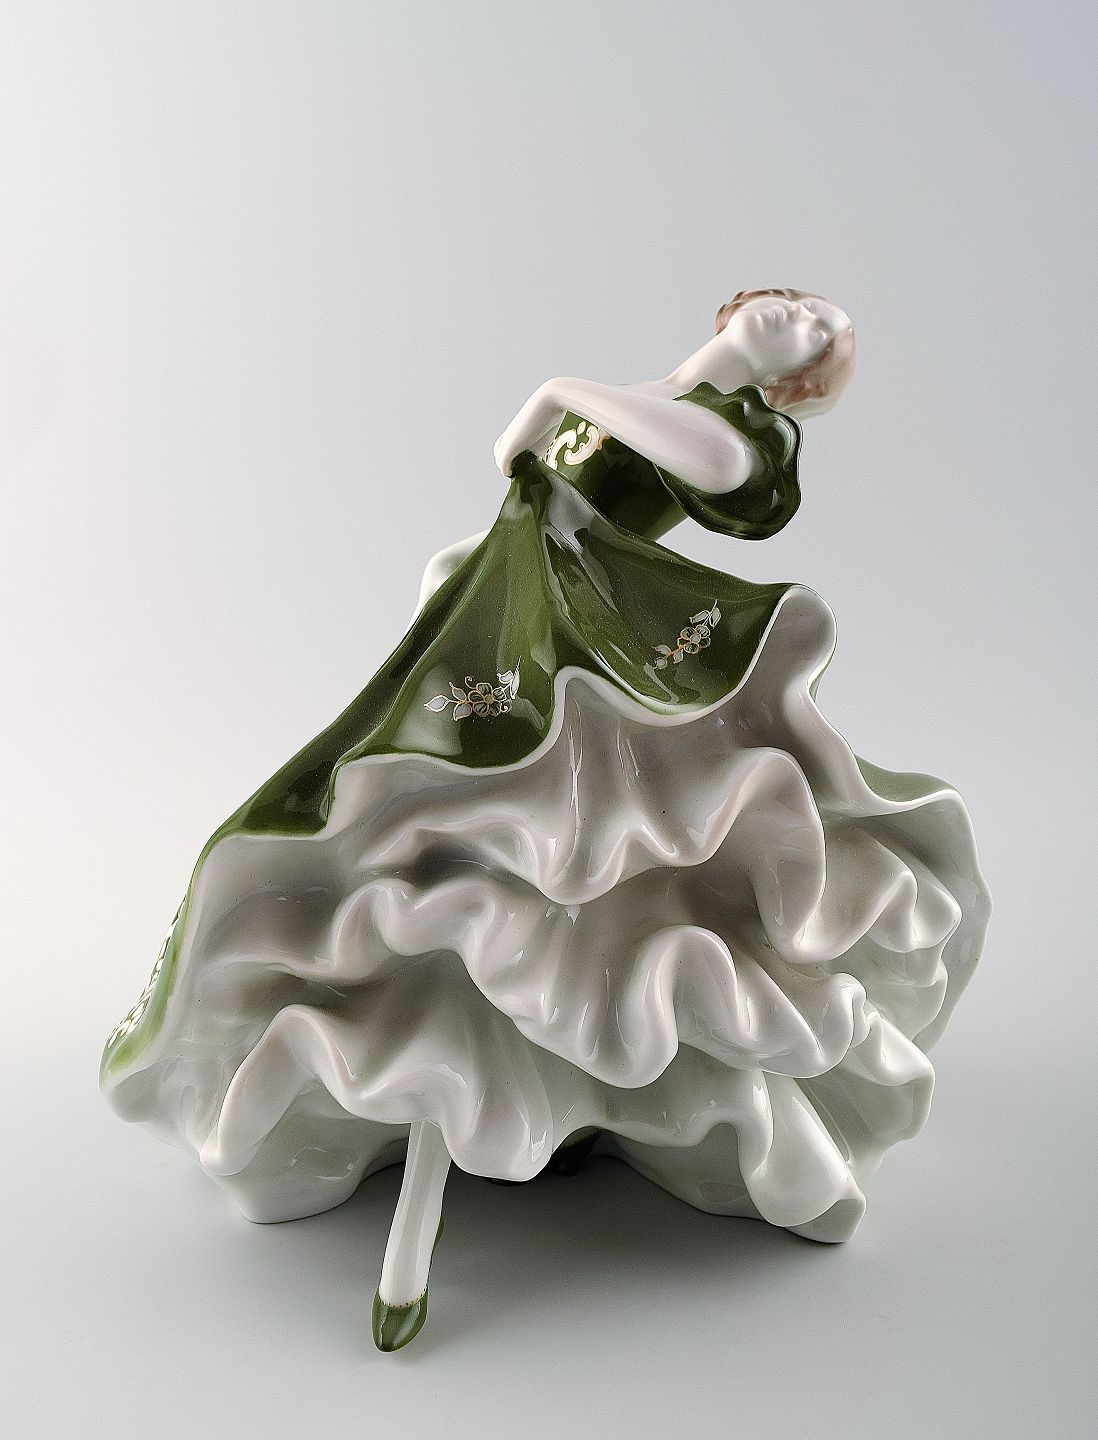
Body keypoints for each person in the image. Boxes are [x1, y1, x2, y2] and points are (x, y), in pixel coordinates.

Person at [101, 290, 989, 1351]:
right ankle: (447, 1088)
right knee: (441, 830)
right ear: (741, 306)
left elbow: (691, 462)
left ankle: (595, 1082)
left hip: (607, 638)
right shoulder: (652, 390)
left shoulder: (751, 434)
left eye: (817, 330)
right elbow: (513, 450)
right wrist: (554, 432)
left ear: (801, 377)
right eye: (793, 302)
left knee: (587, 852)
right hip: (507, 609)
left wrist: (572, 389)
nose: (798, 315)